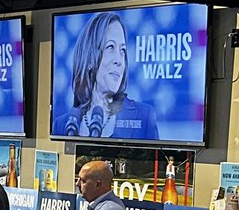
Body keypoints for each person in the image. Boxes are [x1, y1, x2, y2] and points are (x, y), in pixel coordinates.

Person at [51, 11, 159, 139]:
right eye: (110, 47)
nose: (119, 60)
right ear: (90, 58)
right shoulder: (61, 125)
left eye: (122, 50)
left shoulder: (144, 116)